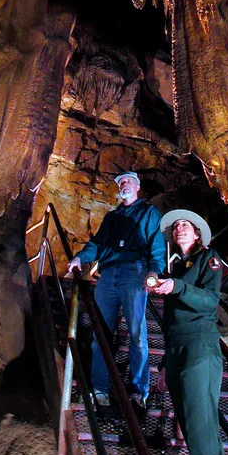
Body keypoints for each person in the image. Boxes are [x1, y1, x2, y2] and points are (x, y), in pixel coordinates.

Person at [149, 209, 228, 455]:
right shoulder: (175, 268)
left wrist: (178, 286)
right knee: (202, 439)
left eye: (186, 224)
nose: (179, 227)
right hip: (176, 351)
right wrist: (162, 363)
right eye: (175, 226)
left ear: (198, 233)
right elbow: (171, 320)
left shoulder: (208, 260)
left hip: (201, 348)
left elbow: (209, 300)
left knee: (202, 440)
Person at [67, 172, 166, 410]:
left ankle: (138, 390)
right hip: (109, 272)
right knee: (100, 332)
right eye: (121, 182)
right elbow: (98, 243)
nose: (124, 184)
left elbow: (156, 243)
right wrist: (81, 258)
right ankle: (100, 389)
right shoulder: (111, 217)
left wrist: (154, 271)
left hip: (135, 271)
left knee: (137, 333)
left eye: (128, 181)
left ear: (138, 187)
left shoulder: (149, 213)